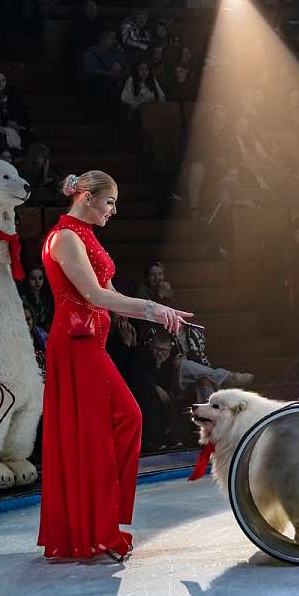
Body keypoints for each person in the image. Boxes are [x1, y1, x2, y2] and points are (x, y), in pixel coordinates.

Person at [38, 170, 194, 561]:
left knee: (111, 426)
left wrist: (157, 312)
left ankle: (99, 529)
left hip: (90, 342)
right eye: (109, 202)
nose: (113, 210)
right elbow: (94, 294)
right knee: (121, 419)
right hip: (76, 346)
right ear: (87, 198)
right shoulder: (67, 237)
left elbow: (106, 293)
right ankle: (97, 531)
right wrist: (152, 308)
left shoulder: (84, 235)